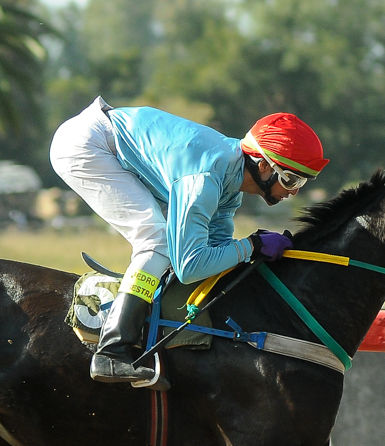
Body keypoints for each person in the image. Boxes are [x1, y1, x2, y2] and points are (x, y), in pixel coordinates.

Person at [50, 97, 328, 387]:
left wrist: (250, 252)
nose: (294, 192)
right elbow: (190, 266)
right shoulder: (204, 180)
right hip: (87, 145)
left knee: (167, 245)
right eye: (292, 180)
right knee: (157, 241)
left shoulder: (229, 182)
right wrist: (253, 246)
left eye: (301, 183)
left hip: (107, 140)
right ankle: (112, 352)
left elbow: (215, 248)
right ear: (264, 166)